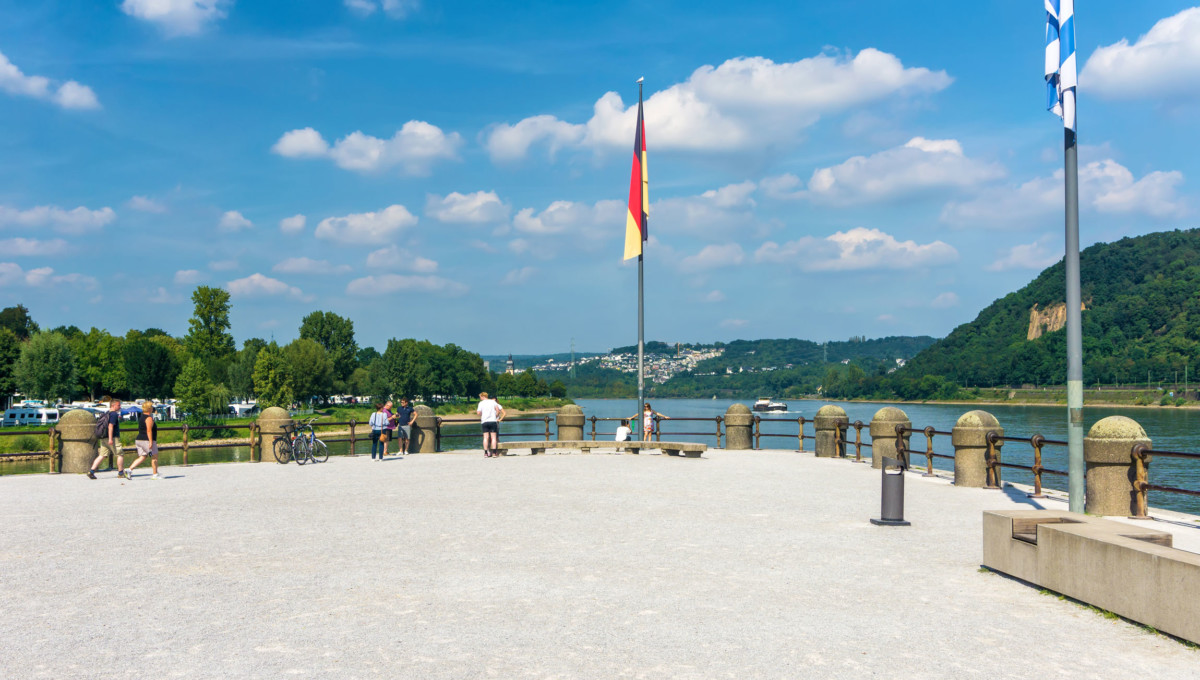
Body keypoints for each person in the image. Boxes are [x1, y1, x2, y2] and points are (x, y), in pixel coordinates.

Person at [87, 399, 126, 479]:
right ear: (113, 405)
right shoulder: (114, 414)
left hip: (103, 437)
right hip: (112, 438)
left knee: (102, 455)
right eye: (118, 405)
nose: (120, 407)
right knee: (120, 454)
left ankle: (91, 471)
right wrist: (111, 439)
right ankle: (120, 473)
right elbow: (110, 426)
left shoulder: (106, 413)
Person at [126, 401, 160, 479]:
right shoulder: (149, 418)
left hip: (139, 439)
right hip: (146, 440)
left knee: (143, 456)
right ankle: (155, 474)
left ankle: (129, 469)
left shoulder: (141, 417)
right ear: (149, 409)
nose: (152, 408)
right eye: (151, 407)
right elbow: (149, 430)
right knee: (154, 456)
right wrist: (151, 442)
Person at [476, 392, 504, 457]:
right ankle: (494, 452)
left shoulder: (481, 403)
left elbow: (478, 412)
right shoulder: (493, 402)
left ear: (482, 396)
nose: (480, 398)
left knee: (485, 437)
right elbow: (498, 411)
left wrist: (482, 415)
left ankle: (486, 453)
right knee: (493, 437)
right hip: (493, 421)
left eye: (480, 397)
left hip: (484, 421)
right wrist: (495, 415)